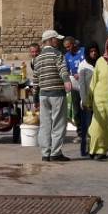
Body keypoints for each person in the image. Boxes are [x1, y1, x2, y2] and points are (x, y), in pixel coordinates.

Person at [31, 29, 72, 162]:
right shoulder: (57, 54)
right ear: (50, 40)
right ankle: (55, 153)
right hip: (56, 93)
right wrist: (66, 80)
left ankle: (45, 153)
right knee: (59, 123)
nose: (58, 41)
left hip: (43, 95)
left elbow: (35, 80)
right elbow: (62, 69)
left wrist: (35, 98)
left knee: (45, 124)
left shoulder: (37, 58)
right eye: (56, 39)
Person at [75, 42, 100, 157]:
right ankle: (85, 149)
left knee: (97, 126)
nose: (94, 53)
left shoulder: (100, 63)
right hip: (87, 101)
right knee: (87, 126)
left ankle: (95, 148)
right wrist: (84, 101)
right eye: (91, 51)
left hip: (99, 100)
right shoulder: (83, 65)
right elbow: (82, 86)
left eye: (95, 51)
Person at [63, 36, 85, 145]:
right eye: (66, 48)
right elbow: (65, 71)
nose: (67, 49)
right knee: (76, 111)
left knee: (87, 109)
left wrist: (81, 74)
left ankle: (90, 133)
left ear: (73, 44)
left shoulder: (83, 52)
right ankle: (80, 134)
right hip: (75, 86)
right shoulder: (67, 56)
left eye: (68, 46)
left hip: (86, 85)